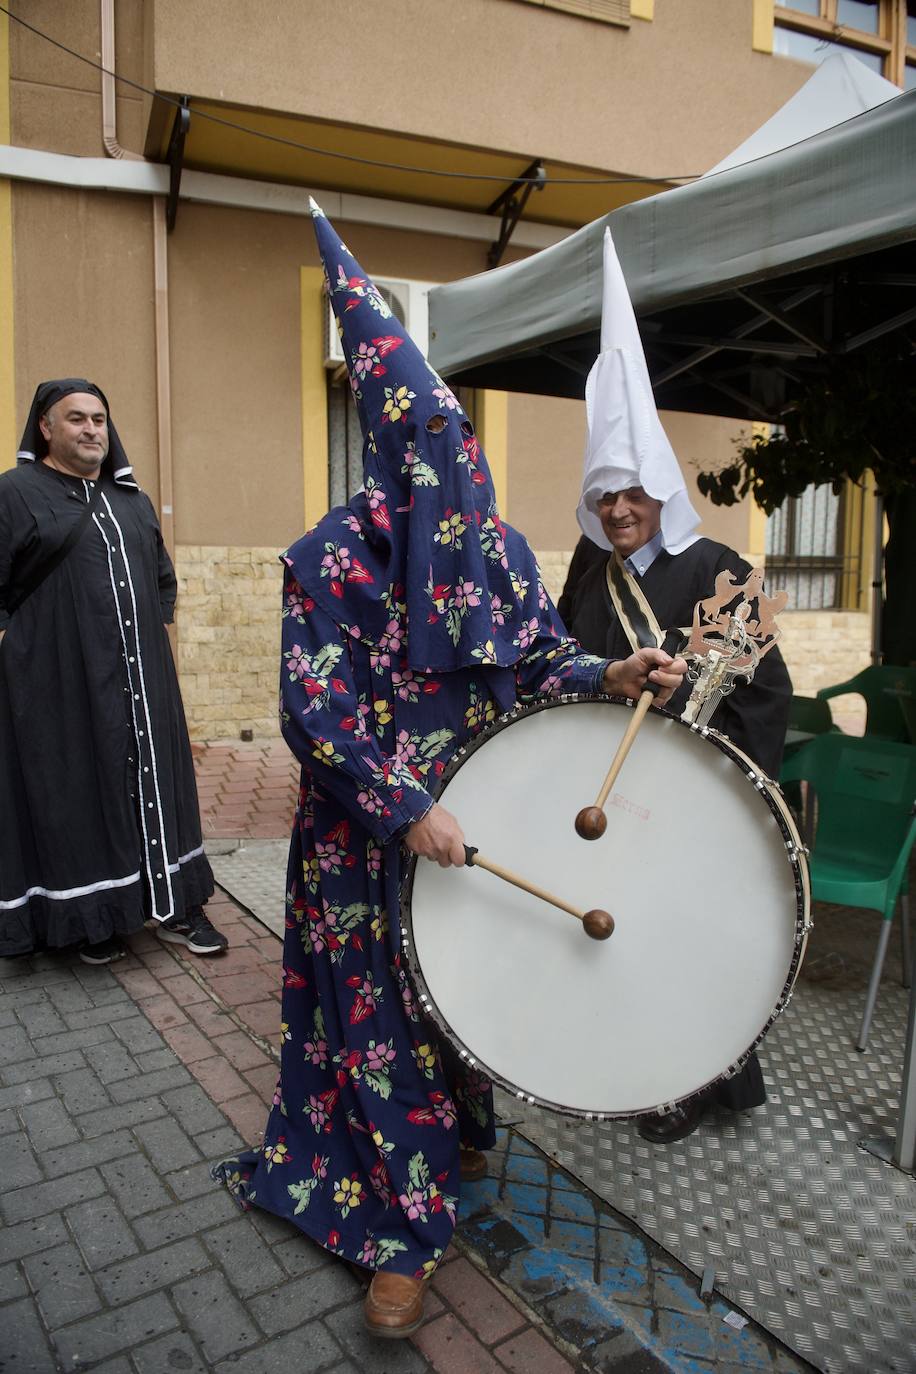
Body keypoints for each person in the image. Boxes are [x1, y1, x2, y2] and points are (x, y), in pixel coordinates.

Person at [213, 204, 687, 1339]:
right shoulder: (327, 559)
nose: (451, 471)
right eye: (426, 450)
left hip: (474, 826)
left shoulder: (497, 550)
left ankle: (454, 1135)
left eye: (458, 445)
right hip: (365, 839)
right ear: (389, 454)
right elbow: (312, 713)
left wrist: (608, 673)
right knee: (374, 1023)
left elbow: (533, 659)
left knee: (461, 1002)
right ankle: (403, 1229)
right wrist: (401, 804)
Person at [563, 230, 792, 1146]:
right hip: (605, 790)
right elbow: (557, 658)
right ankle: (624, 1056)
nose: (619, 509)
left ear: (664, 488)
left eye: (634, 492)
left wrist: (721, 777)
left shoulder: (723, 568)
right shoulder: (585, 570)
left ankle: (695, 1081)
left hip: (690, 794)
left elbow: (769, 694)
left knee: (689, 940)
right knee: (611, 929)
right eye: (605, 493)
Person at [0, 380, 228, 964]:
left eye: (99, 419)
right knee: (80, 789)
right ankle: (92, 920)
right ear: (46, 428)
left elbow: (161, 582)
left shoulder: (132, 501)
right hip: (59, 684)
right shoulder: (15, 493)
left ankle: (177, 906)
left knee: (159, 788)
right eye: (75, 419)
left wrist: (145, 645)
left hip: (145, 684)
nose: (91, 429)